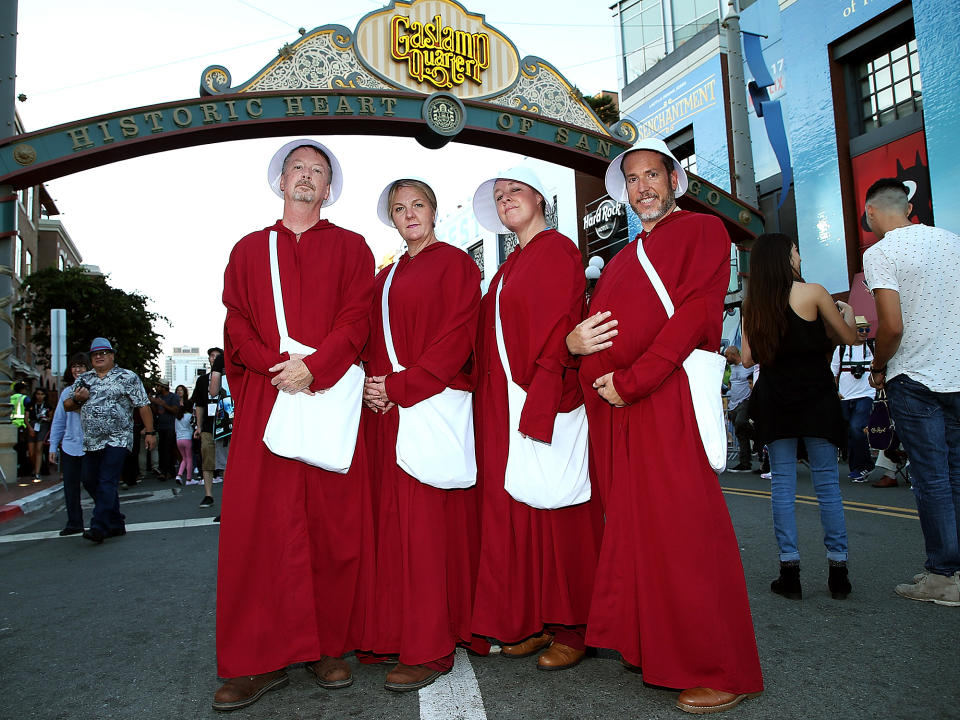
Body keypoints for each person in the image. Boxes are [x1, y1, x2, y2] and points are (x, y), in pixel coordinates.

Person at [567, 139, 763, 714]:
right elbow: (596, 326)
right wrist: (592, 365)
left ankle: (718, 665)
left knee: (686, 532)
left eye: (654, 174)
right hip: (624, 407)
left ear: (675, 182)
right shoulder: (623, 258)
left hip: (667, 397)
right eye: (633, 178)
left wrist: (632, 381)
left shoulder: (704, 232)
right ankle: (653, 647)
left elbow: (695, 315)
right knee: (637, 530)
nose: (643, 186)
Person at [213, 139, 375, 711]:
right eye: (298, 169)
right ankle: (252, 661)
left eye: (318, 172)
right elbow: (235, 321)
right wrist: (273, 367)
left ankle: (330, 647)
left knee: (331, 524)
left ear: (329, 189)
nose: (307, 178)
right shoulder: (248, 250)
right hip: (267, 396)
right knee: (257, 531)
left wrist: (318, 368)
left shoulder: (353, 248)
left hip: (326, 394)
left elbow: (358, 317)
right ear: (279, 181)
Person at [470, 167, 602, 672]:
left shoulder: (558, 250)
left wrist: (542, 399)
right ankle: (541, 620)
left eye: (514, 191)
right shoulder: (506, 268)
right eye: (499, 196)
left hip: (544, 396)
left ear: (540, 199)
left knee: (561, 510)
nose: (505, 200)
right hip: (507, 401)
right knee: (526, 514)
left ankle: (575, 627)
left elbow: (562, 329)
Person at [360, 178, 481, 691]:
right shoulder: (383, 276)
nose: (409, 214)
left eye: (418, 205)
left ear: (434, 211)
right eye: (399, 208)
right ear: (391, 218)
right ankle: (398, 629)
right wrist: (374, 387)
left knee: (428, 532)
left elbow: (457, 339)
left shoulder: (456, 263)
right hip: (391, 412)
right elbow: (368, 341)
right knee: (396, 529)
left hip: (429, 402)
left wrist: (399, 385)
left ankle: (431, 647)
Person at [742, 233, 858, 602]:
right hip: (816, 397)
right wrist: (849, 315)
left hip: (775, 399)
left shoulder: (753, 304)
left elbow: (747, 360)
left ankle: (789, 571)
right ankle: (838, 571)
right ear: (785, 257)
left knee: (782, 486)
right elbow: (849, 339)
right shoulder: (814, 293)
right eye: (795, 249)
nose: (799, 254)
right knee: (827, 484)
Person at [862, 177, 960, 606]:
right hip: (957, 373)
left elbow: (892, 325)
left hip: (914, 379)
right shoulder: (952, 242)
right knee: (956, 473)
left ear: (871, 212)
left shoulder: (881, 253)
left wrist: (879, 365)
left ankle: (943, 574)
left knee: (931, 477)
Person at [63, 337, 156, 544]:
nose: (99, 357)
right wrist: (79, 399)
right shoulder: (84, 379)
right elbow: (67, 405)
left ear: (112, 356)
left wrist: (150, 432)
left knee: (107, 479)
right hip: (92, 440)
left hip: (119, 438)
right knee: (89, 480)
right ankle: (116, 521)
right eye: (95, 354)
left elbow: (143, 405)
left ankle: (99, 526)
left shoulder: (127, 377)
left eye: (104, 353)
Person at [831, 316, 876, 482]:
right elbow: (833, 372)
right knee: (849, 433)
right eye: (860, 329)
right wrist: (835, 391)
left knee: (857, 428)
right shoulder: (841, 349)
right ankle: (856, 468)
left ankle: (866, 465)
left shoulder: (872, 347)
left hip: (866, 395)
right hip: (845, 396)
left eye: (867, 329)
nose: (864, 333)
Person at [48, 353, 89, 535]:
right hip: (70, 447)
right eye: (74, 366)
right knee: (70, 487)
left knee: (92, 483)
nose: (77, 370)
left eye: (81, 366)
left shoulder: (96, 389)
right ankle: (74, 523)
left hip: (91, 446)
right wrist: (53, 446)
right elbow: (58, 421)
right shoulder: (66, 392)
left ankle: (110, 516)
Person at [191, 348, 222, 509]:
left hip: (226, 427)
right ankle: (208, 494)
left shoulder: (227, 378)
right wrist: (199, 426)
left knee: (226, 462)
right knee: (207, 459)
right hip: (208, 427)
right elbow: (200, 405)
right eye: (212, 356)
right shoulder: (202, 381)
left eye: (218, 356)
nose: (214, 359)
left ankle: (229, 496)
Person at [724, 345, 754, 472]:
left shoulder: (747, 365)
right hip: (734, 404)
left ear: (733, 354)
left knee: (741, 423)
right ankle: (745, 463)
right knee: (741, 433)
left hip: (745, 401)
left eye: (727, 355)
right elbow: (729, 383)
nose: (726, 358)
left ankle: (758, 439)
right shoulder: (731, 368)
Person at [151, 380, 180, 480]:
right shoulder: (159, 397)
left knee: (168, 449)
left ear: (163, 387)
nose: (156, 388)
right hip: (161, 426)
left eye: (158, 386)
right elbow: (156, 412)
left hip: (170, 426)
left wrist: (163, 404)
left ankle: (168, 472)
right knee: (161, 449)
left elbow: (175, 410)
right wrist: (153, 404)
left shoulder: (173, 397)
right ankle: (166, 471)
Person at [26, 387, 52, 481]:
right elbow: (26, 418)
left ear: (45, 395)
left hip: (43, 426)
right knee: (31, 451)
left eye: (42, 394)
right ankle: (35, 467)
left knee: (39, 449)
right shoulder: (30, 404)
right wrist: (30, 428)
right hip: (32, 425)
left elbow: (50, 417)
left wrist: (46, 419)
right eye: (38, 394)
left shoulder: (47, 405)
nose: (40, 396)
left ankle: (37, 472)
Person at [173, 384, 194, 484]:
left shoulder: (177, 417)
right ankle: (189, 478)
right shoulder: (189, 416)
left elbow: (175, 429)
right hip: (187, 439)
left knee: (183, 459)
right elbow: (192, 427)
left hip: (178, 439)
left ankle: (179, 475)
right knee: (189, 458)